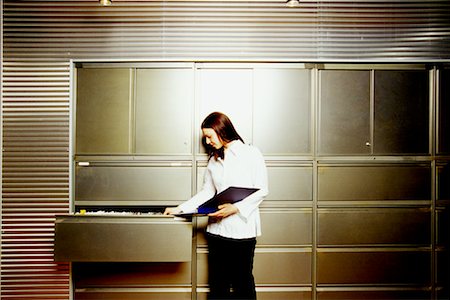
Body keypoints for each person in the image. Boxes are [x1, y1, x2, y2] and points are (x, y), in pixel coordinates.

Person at [164, 112, 268, 300]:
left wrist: (235, 208)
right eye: (205, 137)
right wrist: (180, 209)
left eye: (210, 136)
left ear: (222, 130)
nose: (208, 141)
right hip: (217, 232)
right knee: (218, 284)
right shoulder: (214, 160)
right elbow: (206, 192)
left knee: (242, 284)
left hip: (241, 231)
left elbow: (262, 190)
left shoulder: (252, 154)